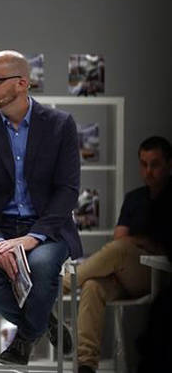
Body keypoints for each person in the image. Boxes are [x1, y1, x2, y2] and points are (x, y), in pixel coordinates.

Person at [0, 50, 81, 365]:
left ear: (23, 83)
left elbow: (67, 191)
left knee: (42, 268)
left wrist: (33, 238)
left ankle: (25, 339)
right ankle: (45, 323)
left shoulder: (60, 125)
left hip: (46, 229)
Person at [64, 136, 171, 373]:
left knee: (121, 250)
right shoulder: (135, 198)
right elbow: (119, 238)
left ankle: (61, 285)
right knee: (92, 285)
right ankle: (86, 365)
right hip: (127, 272)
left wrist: (139, 242)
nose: (148, 171)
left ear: (168, 164)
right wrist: (142, 242)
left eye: (155, 164)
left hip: (160, 275)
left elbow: (157, 248)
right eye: (143, 164)